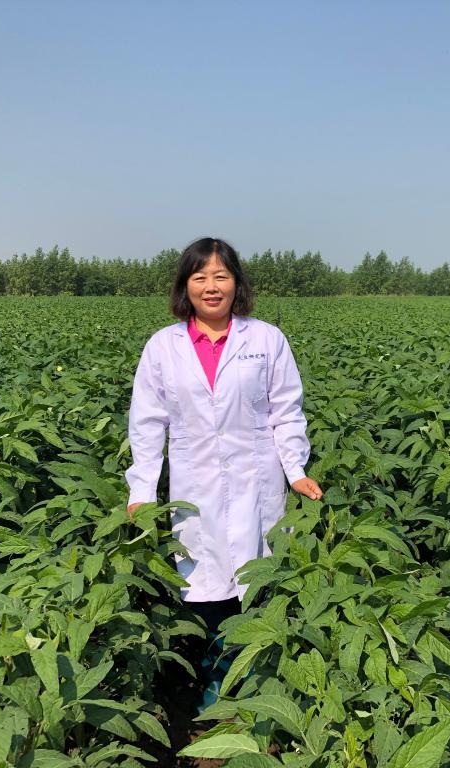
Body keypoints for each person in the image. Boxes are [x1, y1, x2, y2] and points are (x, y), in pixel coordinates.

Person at [124, 236, 322, 709]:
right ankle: (218, 679)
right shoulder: (163, 346)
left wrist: (295, 468)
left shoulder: (266, 340)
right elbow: (147, 423)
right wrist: (142, 489)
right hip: (195, 482)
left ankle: (252, 682)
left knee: (257, 578)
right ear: (185, 286)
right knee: (208, 582)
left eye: (221, 276)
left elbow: (286, 411)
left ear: (236, 284)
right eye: (200, 277)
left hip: (257, 477)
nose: (211, 287)